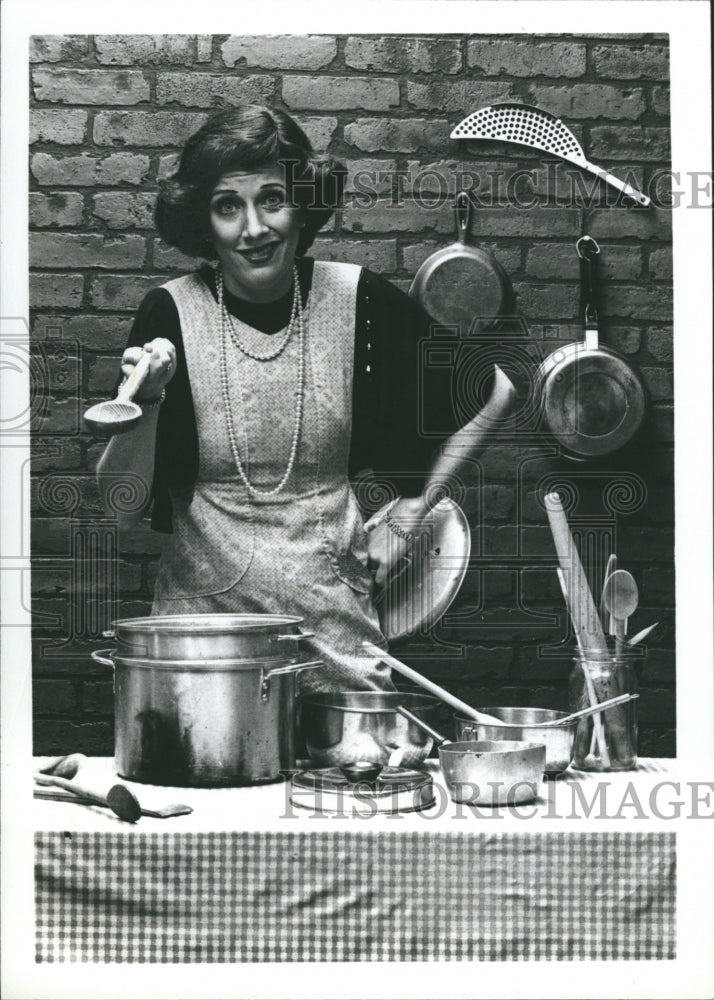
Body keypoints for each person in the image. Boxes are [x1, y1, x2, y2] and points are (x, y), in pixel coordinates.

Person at [97, 105, 515, 695]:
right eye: (227, 206)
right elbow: (119, 504)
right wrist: (152, 401)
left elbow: (496, 390)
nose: (254, 229)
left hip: (336, 639)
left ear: (302, 204)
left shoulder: (357, 300)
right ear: (203, 220)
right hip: (204, 654)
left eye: (271, 198)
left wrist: (414, 511)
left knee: (360, 778)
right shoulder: (168, 314)